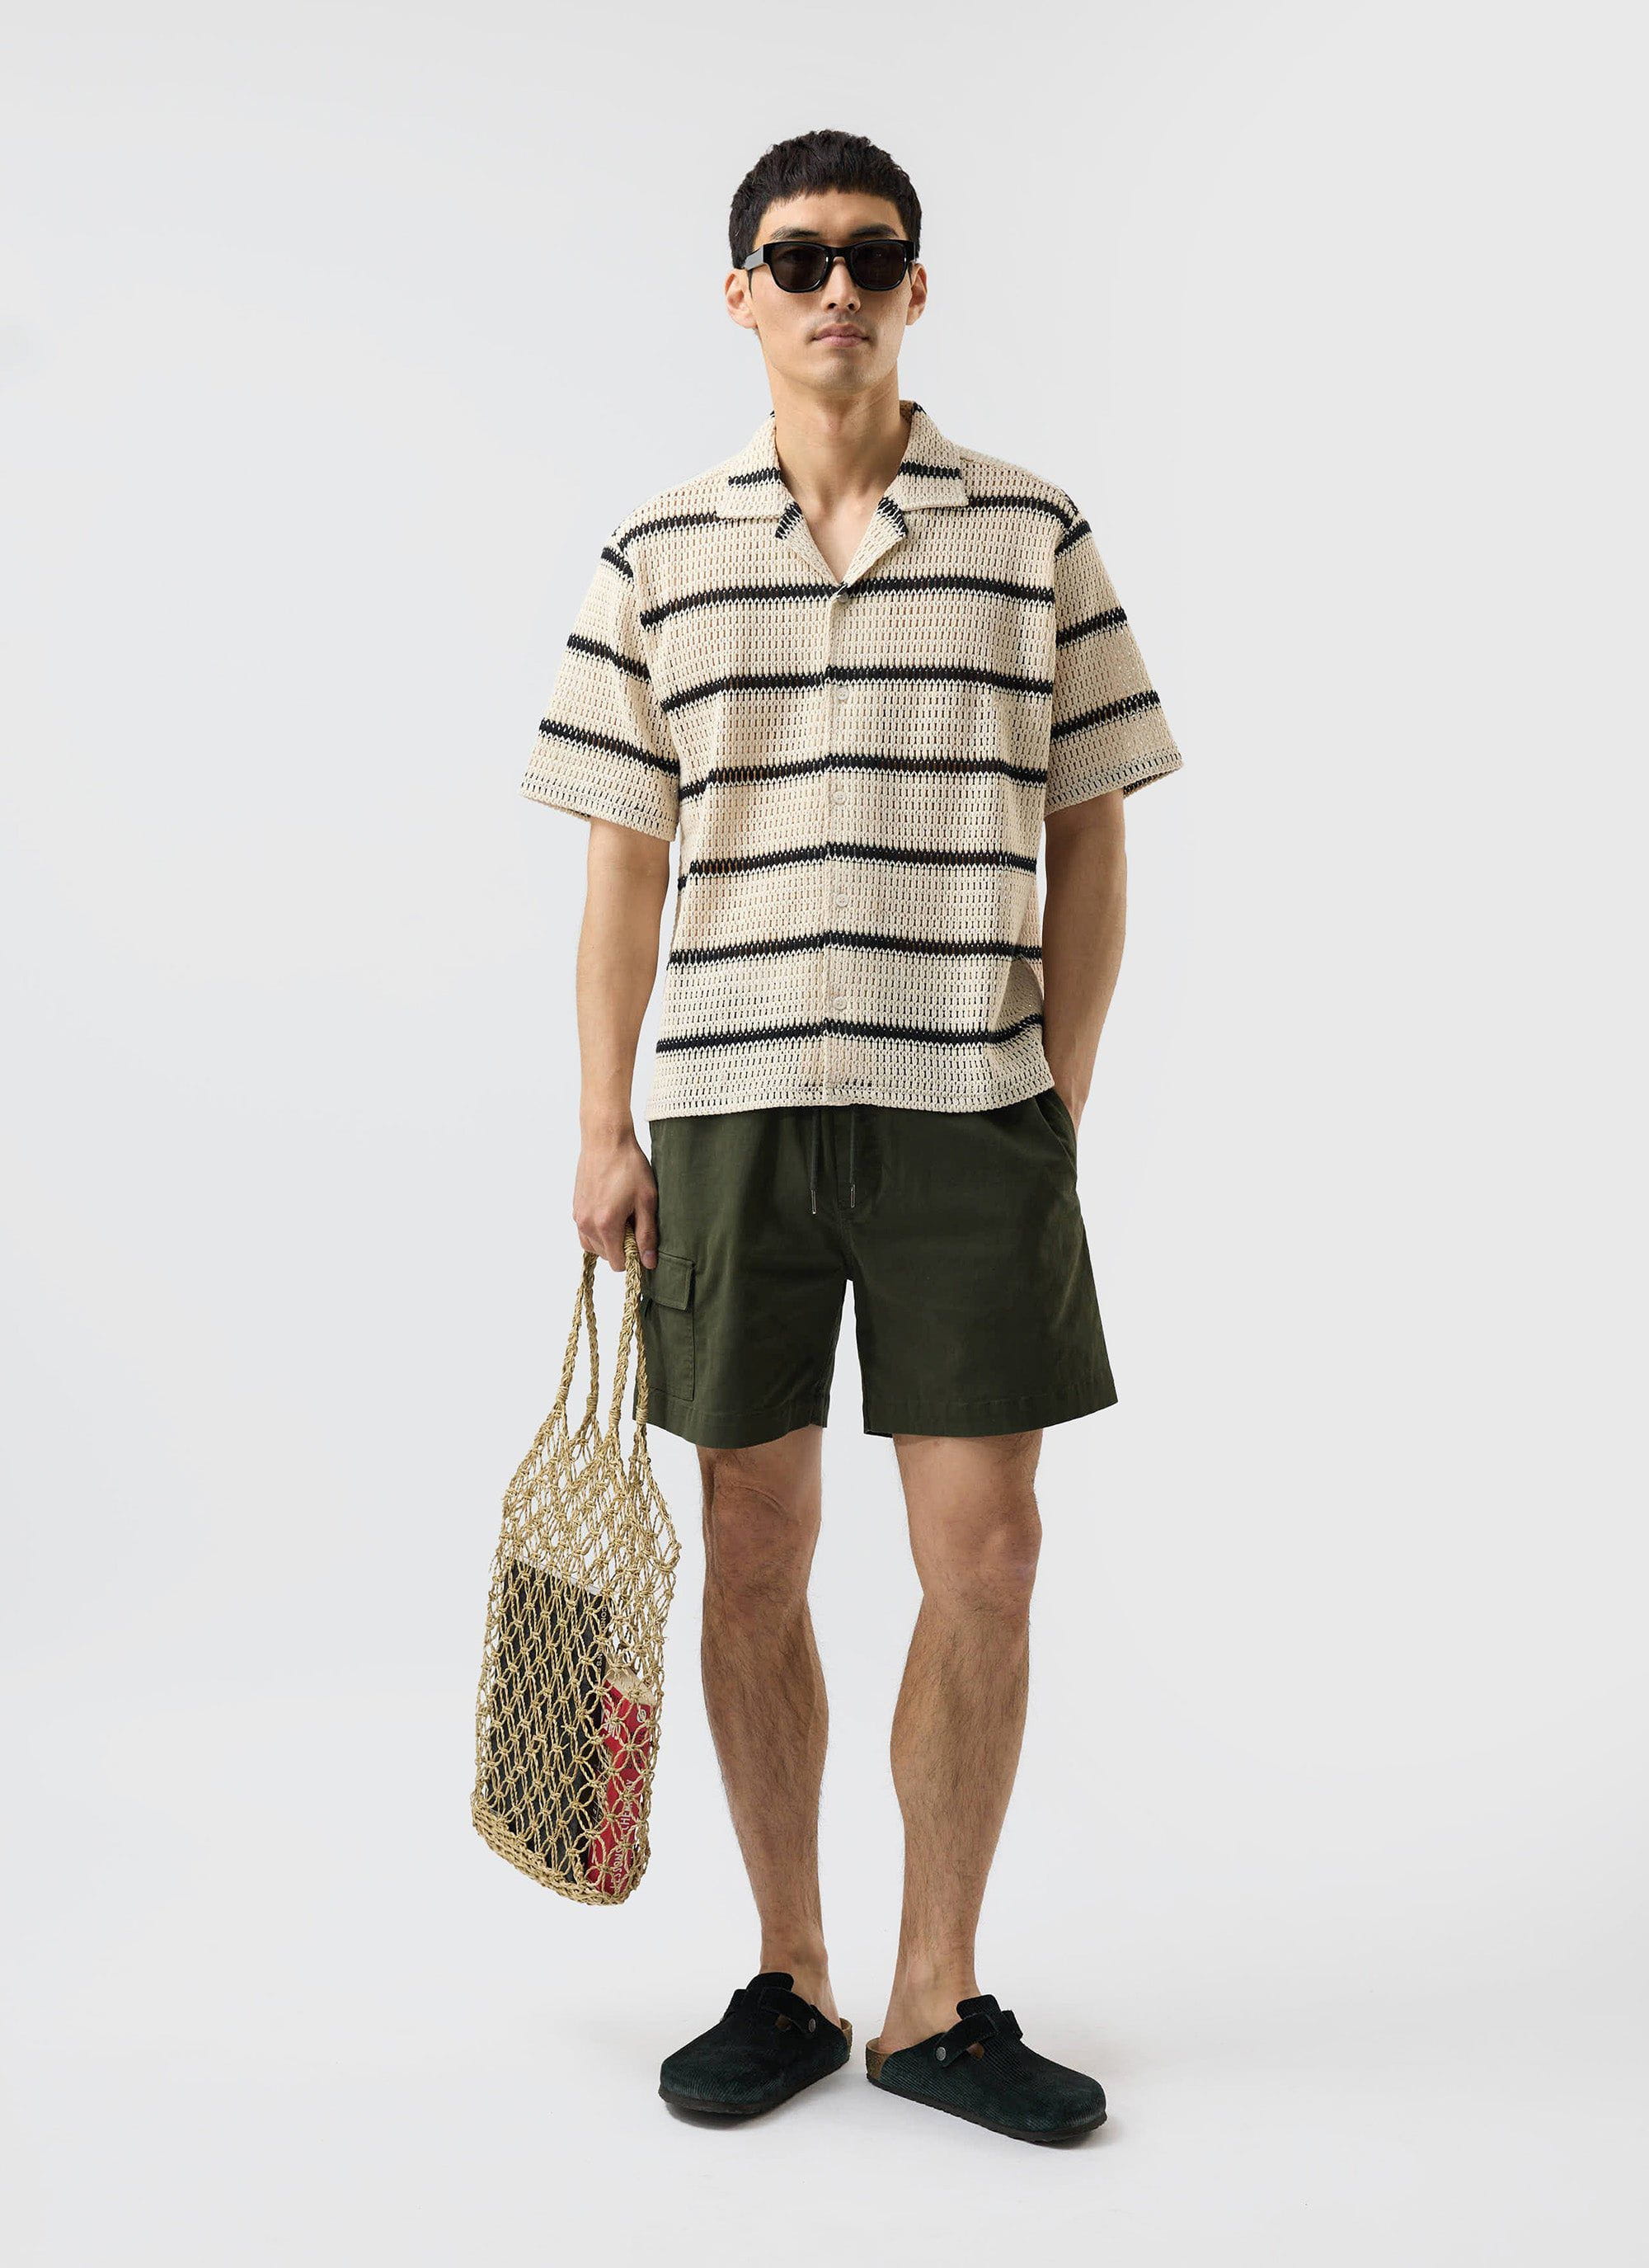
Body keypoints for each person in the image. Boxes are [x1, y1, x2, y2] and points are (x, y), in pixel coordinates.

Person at [520, 127, 1182, 2144]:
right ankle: (790, 1972)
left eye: (869, 255)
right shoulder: (656, 549)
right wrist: (600, 1121)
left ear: (915, 287)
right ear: (738, 292)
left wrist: (1052, 1093)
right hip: (722, 1114)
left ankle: (934, 1994)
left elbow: (1092, 833)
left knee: (986, 1551)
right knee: (748, 1549)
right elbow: (624, 870)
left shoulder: (1031, 534)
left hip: (969, 1112)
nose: (833, 286)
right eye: (794, 256)